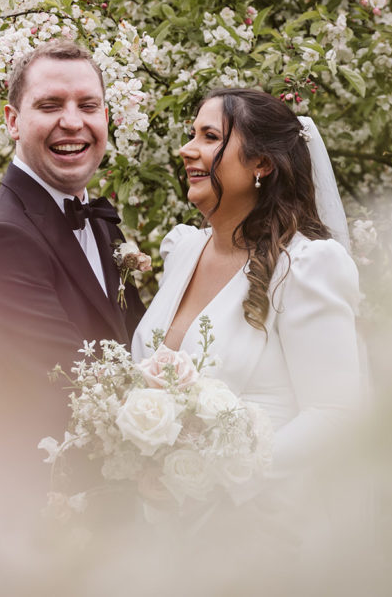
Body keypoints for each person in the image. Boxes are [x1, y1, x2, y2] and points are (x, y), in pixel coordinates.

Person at [130, 88, 364, 540]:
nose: (187, 149)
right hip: (166, 533)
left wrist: (212, 477)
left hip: (261, 537)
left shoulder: (307, 267)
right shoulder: (183, 250)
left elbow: (335, 413)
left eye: (210, 136)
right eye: (191, 134)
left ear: (262, 164)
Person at [0, 40, 146, 518]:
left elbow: (138, 344)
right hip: (30, 515)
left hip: (104, 510)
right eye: (50, 105)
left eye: (88, 105)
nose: (73, 122)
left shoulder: (99, 220)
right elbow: (79, 383)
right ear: (13, 121)